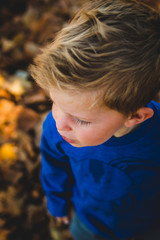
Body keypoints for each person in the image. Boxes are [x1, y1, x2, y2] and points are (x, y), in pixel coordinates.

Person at [29, 0, 160, 239]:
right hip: (89, 222)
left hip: (148, 227)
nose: (60, 123)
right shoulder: (56, 128)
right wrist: (56, 202)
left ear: (135, 116)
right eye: (55, 103)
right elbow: (54, 166)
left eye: (81, 119)